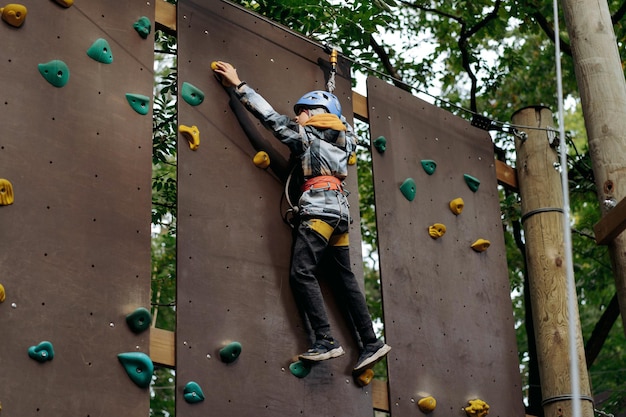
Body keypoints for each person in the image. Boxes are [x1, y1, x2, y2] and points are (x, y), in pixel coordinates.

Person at [212, 61, 391, 372]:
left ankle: (326, 341)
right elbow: (342, 124)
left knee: (301, 273)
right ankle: (371, 342)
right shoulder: (347, 139)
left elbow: (269, 118)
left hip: (319, 210)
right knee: (344, 279)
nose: (297, 117)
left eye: (302, 112)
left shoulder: (305, 137)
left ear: (316, 114)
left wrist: (239, 85)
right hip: (340, 213)